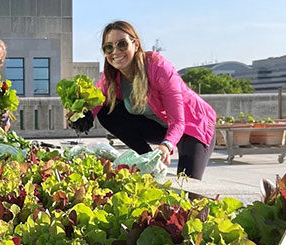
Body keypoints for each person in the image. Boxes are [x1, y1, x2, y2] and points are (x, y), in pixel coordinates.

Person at [82, 20, 216, 180]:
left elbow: (178, 122)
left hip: (192, 126)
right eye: (108, 47)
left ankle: (161, 161)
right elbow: (95, 102)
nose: (115, 52)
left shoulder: (159, 68)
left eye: (122, 44)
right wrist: (82, 116)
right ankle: (147, 159)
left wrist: (166, 146)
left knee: (186, 186)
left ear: (136, 44)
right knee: (106, 112)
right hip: (159, 127)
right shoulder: (110, 76)